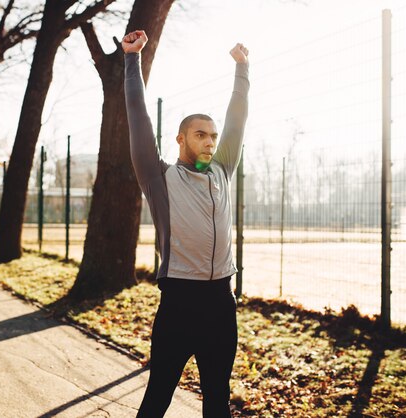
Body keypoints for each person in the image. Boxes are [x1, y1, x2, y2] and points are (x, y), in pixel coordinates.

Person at [122, 30, 250, 418]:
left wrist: (242, 69)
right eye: (200, 135)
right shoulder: (157, 177)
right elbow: (138, 117)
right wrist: (132, 60)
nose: (211, 141)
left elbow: (237, 120)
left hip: (220, 303)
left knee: (217, 399)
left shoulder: (223, 172)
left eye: (212, 136)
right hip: (179, 301)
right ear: (181, 139)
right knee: (159, 394)